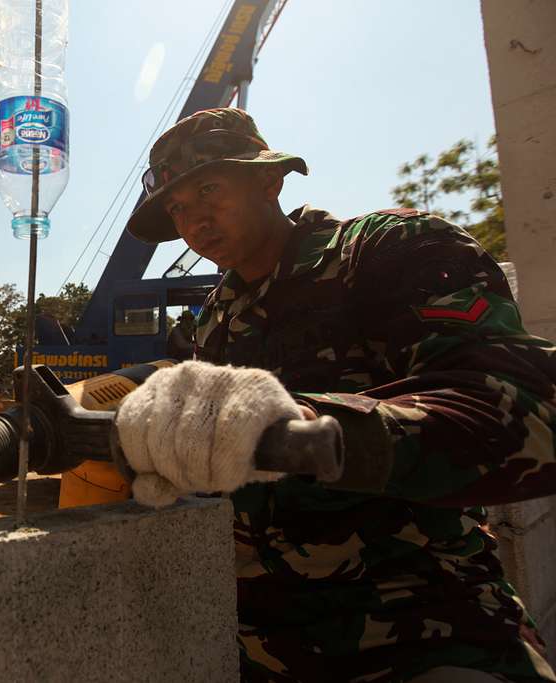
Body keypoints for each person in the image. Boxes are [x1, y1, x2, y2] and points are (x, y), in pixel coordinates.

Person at [116, 108, 556, 682]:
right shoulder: (216, 320)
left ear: (268, 180)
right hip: (262, 645)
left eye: (208, 189)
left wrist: (304, 431)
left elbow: (528, 411)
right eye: (178, 209)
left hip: (422, 624)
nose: (195, 221)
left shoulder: (387, 252)